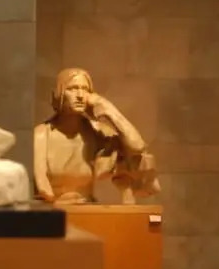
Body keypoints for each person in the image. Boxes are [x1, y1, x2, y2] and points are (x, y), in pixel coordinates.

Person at [34, 68, 159, 204]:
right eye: (72, 89)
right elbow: (42, 186)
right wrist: (59, 202)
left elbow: (137, 147)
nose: (80, 95)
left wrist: (108, 109)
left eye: (85, 89)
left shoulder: (95, 132)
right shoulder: (42, 134)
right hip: (52, 210)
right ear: (59, 93)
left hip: (88, 208)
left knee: (135, 154)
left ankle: (126, 190)